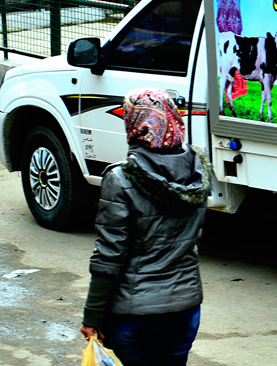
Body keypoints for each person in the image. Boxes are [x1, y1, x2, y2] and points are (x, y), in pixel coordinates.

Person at [79, 88, 212, 366]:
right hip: (185, 308)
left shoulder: (120, 178)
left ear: (135, 123)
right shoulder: (197, 170)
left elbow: (109, 255)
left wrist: (92, 316)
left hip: (134, 312)